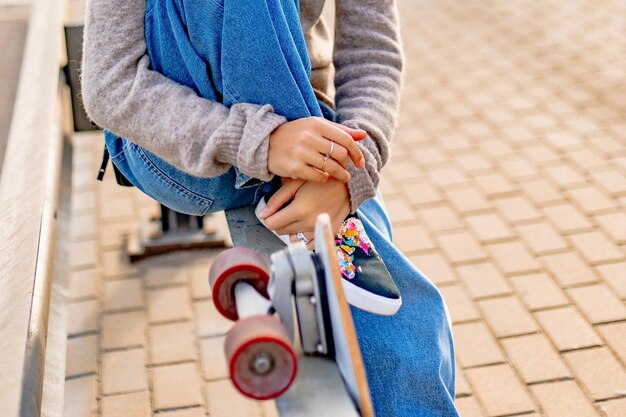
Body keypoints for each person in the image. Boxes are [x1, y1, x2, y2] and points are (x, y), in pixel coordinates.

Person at [82, 0, 459, 415]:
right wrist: (264, 142)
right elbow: (110, 84)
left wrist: (353, 166)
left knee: (405, 333)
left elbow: (372, 49)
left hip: (308, 126)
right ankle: (314, 204)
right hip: (173, 145)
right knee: (399, 318)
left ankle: (312, 189)